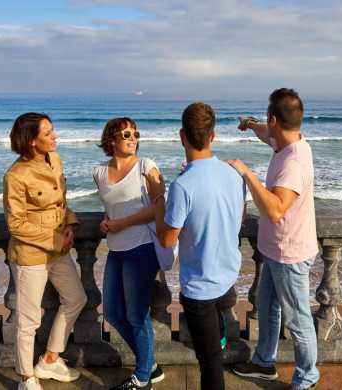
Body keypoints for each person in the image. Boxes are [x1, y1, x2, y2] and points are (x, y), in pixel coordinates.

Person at [144, 102, 246, 390]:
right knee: (216, 345)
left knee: (210, 361)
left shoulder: (183, 186)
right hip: (227, 276)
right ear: (212, 136)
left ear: (181, 136)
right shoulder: (233, 174)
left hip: (200, 286)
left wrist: (157, 198)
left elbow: (167, 239)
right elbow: (234, 220)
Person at [228, 88, 320, 390]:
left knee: (298, 319)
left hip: (290, 253)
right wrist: (251, 123)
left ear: (275, 119)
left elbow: (276, 209)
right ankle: (264, 363)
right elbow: (266, 133)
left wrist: (246, 173)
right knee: (267, 306)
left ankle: (307, 378)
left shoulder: (293, 162)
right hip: (276, 250)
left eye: (268, 121)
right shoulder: (287, 139)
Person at [3, 112, 87, 390]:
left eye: (53, 131)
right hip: (31, 255)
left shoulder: (55, 159)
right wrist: (54, 239)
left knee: (76, 298)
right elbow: (16, 224)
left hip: (60, 251)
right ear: (31, 141)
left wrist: (69, 225)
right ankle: (26, 377)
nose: (55, 137)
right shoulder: (15, 175)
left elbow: (61, 203)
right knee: (28, 320)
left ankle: (50, 358)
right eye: (48, 134)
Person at [92, 118, 165, 390]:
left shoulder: (147, 167)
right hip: (116, 249)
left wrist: (121, 224)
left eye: (135, 133)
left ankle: (143, 378)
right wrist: (105, 219)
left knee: (137, 315)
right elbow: (112, 205)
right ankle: (150, 364)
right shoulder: (99, 173)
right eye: (126, 133)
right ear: (111, 139)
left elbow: (161, 207)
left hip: (142, 248)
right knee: (112, 312)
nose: (133, 137)